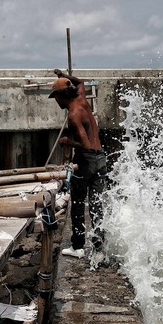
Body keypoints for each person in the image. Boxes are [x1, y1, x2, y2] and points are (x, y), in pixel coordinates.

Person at [49, 68, 107, 261]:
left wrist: (67, 142)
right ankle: (99, 249)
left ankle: (78, 246)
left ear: (61, 96)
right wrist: (65, 76)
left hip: (86, 160)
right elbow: (80, 82)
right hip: (101, 158)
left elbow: (85, 145)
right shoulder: (82, 99)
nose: (55, 101)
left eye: (55, 97)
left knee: (78, 203)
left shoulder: (74, 115)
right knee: (96, 205)